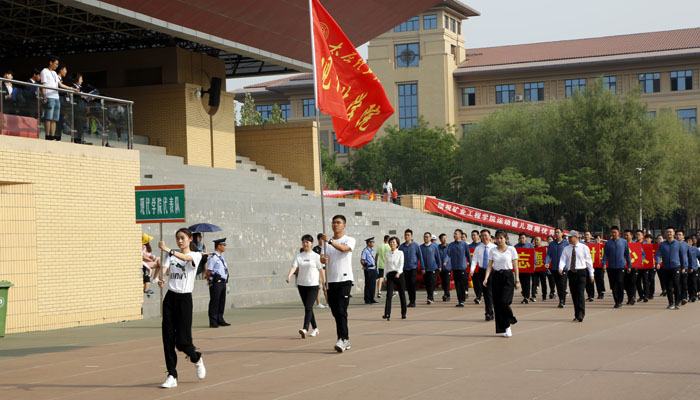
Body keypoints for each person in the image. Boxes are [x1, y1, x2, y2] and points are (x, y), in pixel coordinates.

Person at [157, 228, 206, 388]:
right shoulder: (169, 255)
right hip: (170, 298)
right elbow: (164, 270)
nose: (179, 241)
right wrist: (160, 278)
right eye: (177, 238)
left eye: (182, 238)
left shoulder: (195, 255)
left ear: (190, 239)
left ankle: (196, 358)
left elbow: (184, 257)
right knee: (168, 339)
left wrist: (168, 250)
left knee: (183, 342)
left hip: (184, 300)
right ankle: (172, 375)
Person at [320, 215, 356, 353]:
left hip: (344, 280)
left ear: (344, 225)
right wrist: (323, 259)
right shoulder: (325, 243)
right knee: (335, 311)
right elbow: (323, 260)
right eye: (333, 222)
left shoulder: (349, 240)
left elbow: (343, 249)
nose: (335, 225)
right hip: (331, 280)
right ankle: (343, 338)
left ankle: (343, 338)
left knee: (341, 310)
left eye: (338, 222)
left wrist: (329, 241)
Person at [286, 234, 326, 338]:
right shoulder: (299, 256)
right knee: (308, 308)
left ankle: (305, 328)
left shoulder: (316, 256)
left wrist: (324, 282)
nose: (305, 244)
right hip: (301, 285)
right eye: (303, 242)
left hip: (313, 285)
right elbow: (294, 267)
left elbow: (321, 271)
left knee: (308, 307)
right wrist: (289, 275)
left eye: (307, 242)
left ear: (312, 243)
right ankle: (316, 329)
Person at [483, 230, 520, 337]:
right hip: (496, 277)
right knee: (498, 304)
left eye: (501, 238)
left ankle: (510, 319)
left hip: (508, 277)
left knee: (504, 301)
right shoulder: (493, 250)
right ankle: (506, 327)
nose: (499, 240)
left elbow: (516, 266)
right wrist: (486, 278)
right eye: (497, 238)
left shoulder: (512, 249)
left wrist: (517, 280)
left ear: (506, 239)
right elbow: (489, 266)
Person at [559, 231, 594, 322]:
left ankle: (581, 314)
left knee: (580, 293)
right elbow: (563, 260)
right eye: (568, 237)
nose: (569, 239)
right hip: (571, 272)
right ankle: (576, 313)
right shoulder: (566, 249)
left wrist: (591, 274)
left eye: (570, 237)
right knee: (574, 294)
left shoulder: (584, 247)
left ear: (576, 237)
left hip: (581, 272)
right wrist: (560, 267)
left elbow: (589, 261)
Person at [656, 226, 685, 310]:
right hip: (665, 268)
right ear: (665, 233)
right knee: (668, 286)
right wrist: (658, 262)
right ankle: (671, 303)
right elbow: (658, 254)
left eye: (670, 232)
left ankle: (677, 302)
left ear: (673, 233)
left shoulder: (678, 244)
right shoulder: (662, 244)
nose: (669, 233)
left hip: (676, 267)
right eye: (667, 232)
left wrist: (683, 267)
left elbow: (682, 256)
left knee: (676, 284)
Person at [602, 226, 631, 308]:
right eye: (612, 232)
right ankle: (616, 301)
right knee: (613, 285)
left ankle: (620, 300)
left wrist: (629, 265)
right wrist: (603, 263)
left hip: (621, 266)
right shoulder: (608, 243)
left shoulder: (624, 242)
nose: (613, 234)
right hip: (611, 267)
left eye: (615, 232)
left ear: (619, 233)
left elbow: (627, 254)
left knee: (620, 282)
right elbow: (605, 255)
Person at [471, 229, 495, 320]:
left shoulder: (494, 247)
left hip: (493, 271)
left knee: (492, 293)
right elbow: (474, 260)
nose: (484, 237)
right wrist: (472, 270)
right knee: (486, 293)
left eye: (486, 235)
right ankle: (488, 313)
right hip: (482, 271)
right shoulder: (478, 248)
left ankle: (491, 311)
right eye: (482, 236)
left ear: (489, 236)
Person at [206, 238, 230, 328]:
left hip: (222, 282)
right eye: (224, 245)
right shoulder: (213, 257)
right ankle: (213, 321)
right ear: (219, 246)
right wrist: (210, 281)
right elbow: (209, 271)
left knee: (221, 302)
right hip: (216, 282)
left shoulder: (221, 257)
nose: (225, 247)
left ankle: (220, 319)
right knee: (214, 302)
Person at [382, 236, 406, 320]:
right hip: (390, 275)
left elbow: (401, 264)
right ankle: (387, 313)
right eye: (391, 242)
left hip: (399, 274)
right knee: (389, 294)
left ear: (397, 244)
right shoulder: (387, 253)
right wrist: (384, 277)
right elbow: (385, 266)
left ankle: (403, 313)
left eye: (394, 242)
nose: (392, 244)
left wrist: (399, 272)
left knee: (402, 294)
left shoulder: (400, 253)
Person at [398, 229, 424, 308]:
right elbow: (398, 257)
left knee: (412, 283)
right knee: (408, 284)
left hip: (413, 267)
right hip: (404, 268)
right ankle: (410, 300)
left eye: (408, 235)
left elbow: (420, 257)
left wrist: (423, 267)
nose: (407, 236)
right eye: (405, 235)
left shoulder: (416, 245)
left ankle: (413, 301)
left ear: (411, 236)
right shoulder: (401, 247)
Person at [544, 228, 568, 308]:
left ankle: (562, 301)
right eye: (555, 232)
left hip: (564, 268)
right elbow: (549, 254)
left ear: (562, 233)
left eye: (558, 232)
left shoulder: (566, 243)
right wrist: (547, 262)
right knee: (558, 285)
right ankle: (561, 299)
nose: (557, 234)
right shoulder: (552, 244)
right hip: (554, 267)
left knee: (562, 284)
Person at [448, 229, 471, 307]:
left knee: (462, 284)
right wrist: (444, 261)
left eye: (456, 234)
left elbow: (468, 255)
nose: (454, 235)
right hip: (455, 268)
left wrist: (471, 265)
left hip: (462, 268)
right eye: (454, 234)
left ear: (460, 235)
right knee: (457, 285)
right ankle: (460, 300)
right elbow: (448, 255)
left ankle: (462, 299)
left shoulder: (464, 244)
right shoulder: (451, 245)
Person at [419, 232, 442, 304]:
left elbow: (437, 256)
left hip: (433, 268)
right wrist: (422, 268)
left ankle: (430, 297)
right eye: (424, 237)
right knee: (427, 284)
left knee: (432, 283)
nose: (425, 238)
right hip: (425, 269)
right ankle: (430, 297)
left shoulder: (434, 246)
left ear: (430, 238)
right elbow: (420, 258)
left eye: (427, 237)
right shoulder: (421, 247)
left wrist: (440, 266)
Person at [514, 232, 534, 304]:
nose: (522, 239)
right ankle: (525, 296)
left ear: (525, 238)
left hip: (527, 267)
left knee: (527, 282)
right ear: (519, 239)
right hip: (519, 268)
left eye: (523, 238)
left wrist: (534, 263)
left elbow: (533, 255)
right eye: (521, 238)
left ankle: (526, 297)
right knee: (522, 282)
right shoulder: (516, 246)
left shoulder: (530, 245)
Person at [622, 229, 639, 305]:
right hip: (623, 266)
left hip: (633, 266)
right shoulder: (621, 244)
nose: (625, 237)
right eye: (624, 235)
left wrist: (640, 260)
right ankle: (630, 298)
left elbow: (642, 254)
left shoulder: (636, 245)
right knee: (626, 283)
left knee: (632, 282)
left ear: (631, 236)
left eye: (627, 235)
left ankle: (632, 297)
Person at [312, 233, 328, 308]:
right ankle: (318, 303)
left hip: (327, 269)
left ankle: (328, 302)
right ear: (319, 240)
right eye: (322, 239)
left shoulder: (327, 248)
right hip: (319, 270)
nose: (323, 240)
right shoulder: (316, 249)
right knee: (319, 286)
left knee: (326, 286)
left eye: (324, 239)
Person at [361, 237, 378, 304]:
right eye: (372, 242)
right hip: (368, 269)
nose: (373, 243)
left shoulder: (371, 250)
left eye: (373, 242)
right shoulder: (365, 251)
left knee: (373, 284)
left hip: (373, 269)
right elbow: (362, 260)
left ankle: (372, 298)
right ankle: (367, 299)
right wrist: (365, 265)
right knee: (368, 284)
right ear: (368, 243)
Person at [676, 230, 691, 305]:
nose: (678, 236)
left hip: (684, 267)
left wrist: (689, 266)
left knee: (684, 283)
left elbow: (689, 256)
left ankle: (684, 297)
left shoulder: (687, 245)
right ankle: (678, 298)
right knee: (677, 284)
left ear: (683, 236)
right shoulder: (674, 244)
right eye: (677, 234)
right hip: (675, 267)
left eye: (680, 234)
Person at [532, 236, 548, 301]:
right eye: (535, 240)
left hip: (542, 268)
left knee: (543, 282)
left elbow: (547, 257)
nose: (536, 241)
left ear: (541, 241)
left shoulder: (544, 249)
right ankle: (533, 296)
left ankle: (544, 296)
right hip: (535, 268)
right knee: (534, 282)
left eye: (537, 240)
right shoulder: (532, 249)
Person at [374, 235, 390, 300]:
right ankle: (391, 291)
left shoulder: (380, 246)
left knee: (381, 278)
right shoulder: (389, 247)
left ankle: (379, 292)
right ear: (388, 240)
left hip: (381, 265)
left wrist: (375, 263)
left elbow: (376, 255)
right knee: (388, 278)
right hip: (387, 265)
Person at [437, 233, 452, 302]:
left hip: (448, 267)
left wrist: (445, 261)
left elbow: (449, 256)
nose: (444, 240)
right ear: (440, 240)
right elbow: (437, 257)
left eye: (445, 238)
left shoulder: (449, 247)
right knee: (443, 282)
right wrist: (439, 265)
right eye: (443, 238)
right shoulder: (438, 248)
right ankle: (446, 294)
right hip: (440, 268)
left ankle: (447, 294)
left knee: (447, 281)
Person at [468, 230, 481, 302]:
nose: (473, 236)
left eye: (474, 235)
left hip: (481, 267)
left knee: (482, 282)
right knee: (475, 283)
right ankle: (478, 296)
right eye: (472, 235)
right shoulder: (469, 246)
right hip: (473, 268)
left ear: (478, 236)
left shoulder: (482, 245)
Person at [684, 237, 698, 303]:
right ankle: (690, 296)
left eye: (690, 241)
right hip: (686, 268)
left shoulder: (695, 249)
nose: (688, 242)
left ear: (692, 242)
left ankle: (694, 295)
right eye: (687, 241)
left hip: (694, 268)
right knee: (688, 283)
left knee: (694, 282)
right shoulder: (683, 249)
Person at [644, 234, 656, 300]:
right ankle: (646, 293)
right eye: (646, 238)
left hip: (652, 265)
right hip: (645, 265)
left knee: (651, 279)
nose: (646, 240)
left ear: (651, 239)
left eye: (648, 238)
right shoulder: (643, 246)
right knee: (645, 280)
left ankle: (651, 293)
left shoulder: (654, 246)